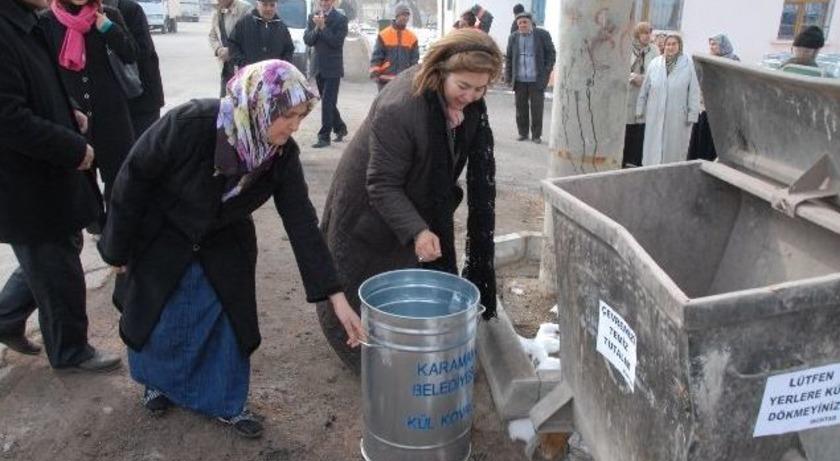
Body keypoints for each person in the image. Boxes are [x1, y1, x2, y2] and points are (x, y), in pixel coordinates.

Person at [97, 60, 364, 437]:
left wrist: (334, 295)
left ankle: (225, 404)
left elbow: (302, 221)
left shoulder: (280, 155)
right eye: (286, 115)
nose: (294, 127)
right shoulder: (189, 123)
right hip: (164, 234)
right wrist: (117, 251)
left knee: (224, 323)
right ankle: (158, 384)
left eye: (301, 116)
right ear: (259, 104)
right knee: (160, 315)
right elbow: (132, 180)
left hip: (225, 240)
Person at [316, 29, 501, 373]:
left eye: (480, 89)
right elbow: (382, 183)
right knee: (363, 273)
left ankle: (408, 347)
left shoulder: (456, 101)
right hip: (367, 200)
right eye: (463, 86)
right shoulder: (401, 107)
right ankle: (365, 355)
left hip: (411, 192)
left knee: (407, 271)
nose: (471, 97)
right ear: (441, 71)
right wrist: (417, 230)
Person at [0, 0, 119, 372]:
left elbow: (39, 84)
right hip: (26, 181)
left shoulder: (25, 22)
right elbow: (9, 117)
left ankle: (5, 318)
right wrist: (72, 148)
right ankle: (71, 351)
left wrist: (70, 112)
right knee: (57, 264)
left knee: (48, 256)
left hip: (44, 175)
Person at [42, 0, 138, 231]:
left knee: (119, 179)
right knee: (82, 180)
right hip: (74, 115)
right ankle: (96, 227)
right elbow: (44, 69)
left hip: (111, 114)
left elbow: (131, 53)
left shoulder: (108, 15)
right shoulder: (48, 21)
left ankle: (116, 235)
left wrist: (108, 28)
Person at [636, 33, 700, 166]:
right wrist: (639, 109)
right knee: (652, 147)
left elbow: (694, 91)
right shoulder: (655, 63)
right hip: (655, 112)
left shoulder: (688, 64)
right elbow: (645, 88)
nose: (670, 47)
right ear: (664, 46)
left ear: (679, 46)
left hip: (677, 115)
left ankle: (671, 174)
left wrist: (692, 114)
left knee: (673, 149)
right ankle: (650, 172)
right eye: (668, 44)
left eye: (674, 44)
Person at [110, 0, 165, 137]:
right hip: (112, 103)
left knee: (144, 150)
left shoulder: (129, 9)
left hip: (141, 100)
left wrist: (112, 33)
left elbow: (143, 51)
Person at [505, 12, 555, 144]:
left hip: (536, 79)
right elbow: (509, 58)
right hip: (520, 79)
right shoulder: (513, 37)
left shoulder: (542, 35)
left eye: (525, 22)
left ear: (531, 23)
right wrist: (508, 77)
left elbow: (551, 53)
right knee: (520, 109)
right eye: (520, 23)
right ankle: (523, 133)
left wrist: (546, 71)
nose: (522, 25)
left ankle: (536, 135)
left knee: (537, 109)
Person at [304, 0, 348, 148]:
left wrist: (323, 27)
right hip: (318, 67)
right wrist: (317, 27)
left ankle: (324, 136)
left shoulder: (341, 19)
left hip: (333, 68)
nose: (324, 2)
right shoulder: (313, 17)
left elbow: (336, 42)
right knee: (328, 102)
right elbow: (308, 40)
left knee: (327, 102)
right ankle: (340, 127)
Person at [687, 33, 739, 161]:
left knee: (713, 138)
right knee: (701, 137)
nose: (712, 47)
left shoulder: (733, 61)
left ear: (723, 45)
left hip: (721, 109)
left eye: (715, 44)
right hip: (705, 105)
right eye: (710, 44)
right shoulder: (709, 60)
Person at [622, 21, 658, 168]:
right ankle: (623, 158)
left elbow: (656, 70)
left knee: (640, 126)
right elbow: (620, 66)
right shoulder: (627, 47)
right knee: (627, 126)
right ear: (637, 34)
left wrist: (644, 79)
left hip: (644, 91)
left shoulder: (654, 50)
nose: (647, 36)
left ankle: (635, 160)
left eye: (649, 33)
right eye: (644, 33)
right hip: (628, 91)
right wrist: (632, 76)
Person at [228, 0, 294, 69]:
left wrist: (281, 68)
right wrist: (242, 63)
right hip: (250, 75)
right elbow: (233, 45)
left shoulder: (282, 28)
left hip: (273, 76)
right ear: (258, 5)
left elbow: (289, 50)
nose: (268, 9)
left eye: (272, 5)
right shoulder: (244, 23)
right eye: (265, 5)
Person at [369, 3, 418, 91]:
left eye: (407, 15)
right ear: (397, 16)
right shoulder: (383, 35)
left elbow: (414, 60)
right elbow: (377, 56)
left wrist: (413, 76)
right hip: (385, 79)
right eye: (403, 15)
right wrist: (375, 72)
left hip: (404, 80)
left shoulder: (412, 38)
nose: (405, 18)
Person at [209, 0, 253, 96]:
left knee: (241, 102)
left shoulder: (245, 9)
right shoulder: (217, 11)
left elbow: (251, 36)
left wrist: (231, 51)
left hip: (242, 66)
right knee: (224, 103)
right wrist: (218, 49)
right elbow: (212, 36)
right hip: (226, 67)